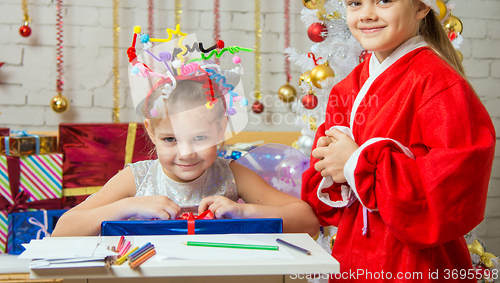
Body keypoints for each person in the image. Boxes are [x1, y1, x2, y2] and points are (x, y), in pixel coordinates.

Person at [301, 0, 496, 282]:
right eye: (355, 3)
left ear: (421, 5)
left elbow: (453, 187)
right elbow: (322, 181)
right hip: (354, 257)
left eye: (384, 0)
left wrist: (357, 162)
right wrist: (334, 167)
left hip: (415, 265)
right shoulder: (347, 88)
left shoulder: (439, 84)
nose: (367, 14)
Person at [53, 39, 319, 237]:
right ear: (151, 132)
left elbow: (308, 223)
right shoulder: (138, 178)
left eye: (200, 138)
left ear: (221, 129)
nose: (186, 153)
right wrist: (128, 206)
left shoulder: (231, 175)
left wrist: (245, 211)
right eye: (171, 139)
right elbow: (62, 231)